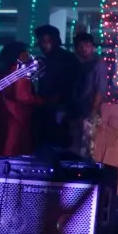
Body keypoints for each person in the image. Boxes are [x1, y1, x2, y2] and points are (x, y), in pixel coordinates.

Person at [0, 42, 46, 157]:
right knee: (14, 150)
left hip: (3, 116)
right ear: (20, 54)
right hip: (16, 117)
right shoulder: (20, 70)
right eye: (26, 52)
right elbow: (23, 96)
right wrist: (41, 101)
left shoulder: (4, 71)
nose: (29, 55)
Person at [32, 24, 81, 154]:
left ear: (55, 41)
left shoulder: (67, 59)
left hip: (62, 111)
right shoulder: (46, 60)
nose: (44, 45)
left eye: (47, 41)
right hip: (48, 110)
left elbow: (74, 86)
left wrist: (62, 101)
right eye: (41, 42)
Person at [73, 32, 109, 160]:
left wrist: (92, 113)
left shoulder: (98, 64)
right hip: (77, 111)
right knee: (76, 148)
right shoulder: (78, 64)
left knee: (87, 149)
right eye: (80, 46)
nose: (84, 48)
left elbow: (100, 90)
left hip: (89, 112)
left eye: (87, 45)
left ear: (92, 47)